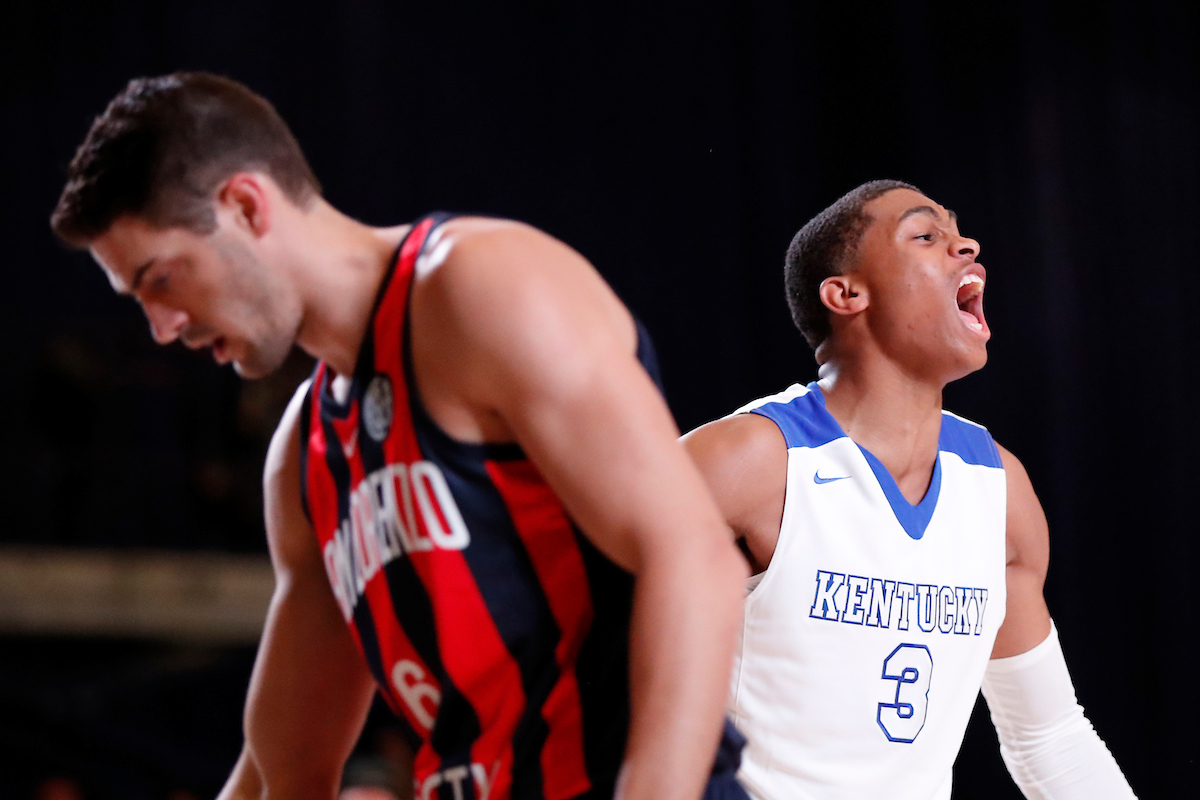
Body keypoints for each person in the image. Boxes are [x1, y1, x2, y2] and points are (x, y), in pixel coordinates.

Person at [50, 72, 748, 800]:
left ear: (245, 205)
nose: (162, 328)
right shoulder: (304, 454)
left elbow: (694, 558)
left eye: (163, 280)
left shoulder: (477, 287)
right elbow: (280, 773)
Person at [682, 180, 1137, 800]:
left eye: (959, 233)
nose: (967, 246)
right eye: (926, 236)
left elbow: (1049, 739)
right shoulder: (749, 460)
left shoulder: (998, 488)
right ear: (847, 294)